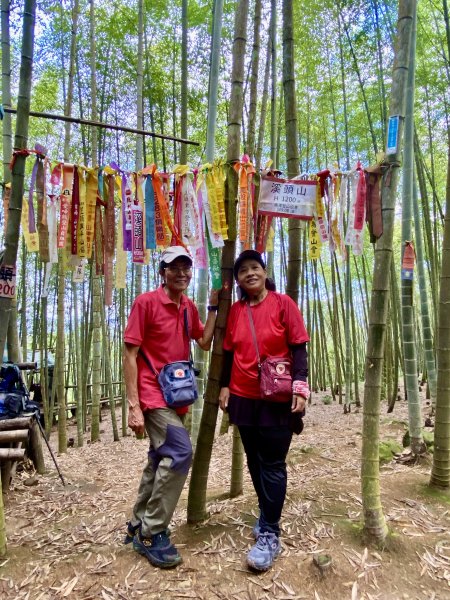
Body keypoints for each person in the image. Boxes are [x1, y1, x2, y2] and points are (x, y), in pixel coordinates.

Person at [123, 246, 219, 569]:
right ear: (162, 271)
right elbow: (130, 354)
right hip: (153, 395)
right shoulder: (146, 303)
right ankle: (152, 533)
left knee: (159, 456)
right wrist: (133, 406)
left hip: (176, 396)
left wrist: (213, 309)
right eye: (173, 267)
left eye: (186, 267)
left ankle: (138, 522)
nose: (181, 273)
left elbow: (203, 341)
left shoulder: (187, 307)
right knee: (180, 452)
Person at [219, 250, 310, 572]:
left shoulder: (283, 303)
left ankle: (270, 532)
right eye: (242, 270)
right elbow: (229, 352)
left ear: (264, 271)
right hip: (243, 396)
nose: (249, 273)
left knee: (272, 463)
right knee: (255, 461)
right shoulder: (235, 311)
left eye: (254, 267)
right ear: (238, 279)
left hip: (276, 397)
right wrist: (224, 386)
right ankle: (266, 514)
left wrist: (301, 385)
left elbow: (299, 346)